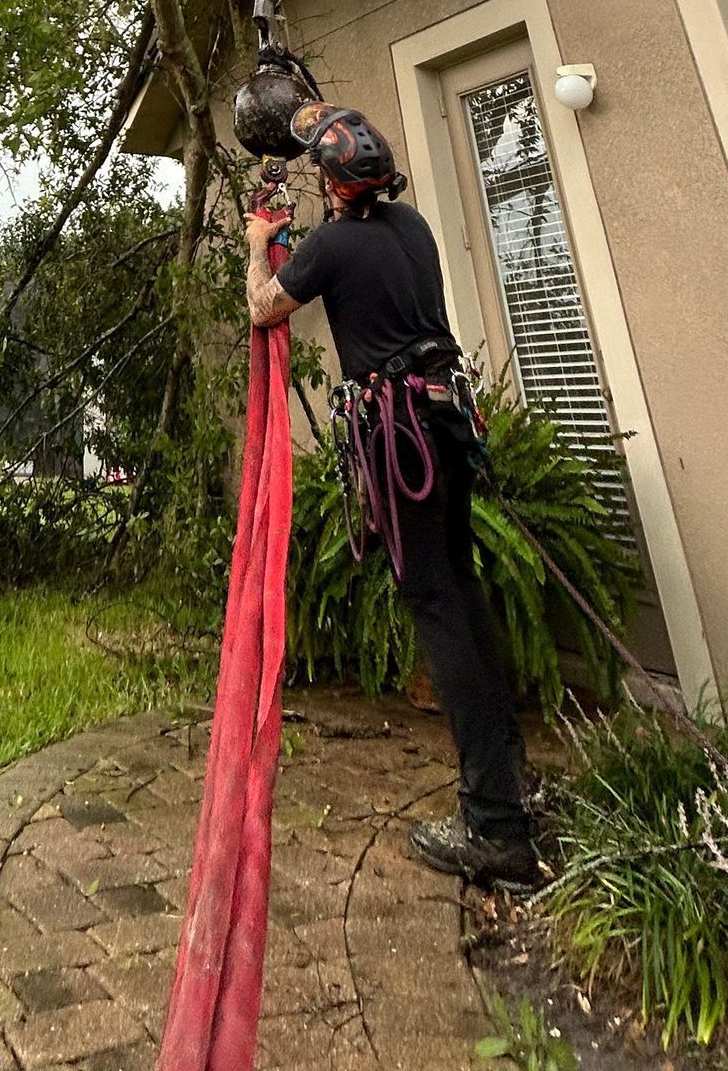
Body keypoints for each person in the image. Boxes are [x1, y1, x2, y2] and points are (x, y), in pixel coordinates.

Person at [242, 100, 538, 888]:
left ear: (332, 183)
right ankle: (510, 775)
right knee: (464, 594)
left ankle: (498, 828)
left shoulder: (332, 245)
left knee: (437, 610)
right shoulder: (414, 230)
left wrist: (257, 245)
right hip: (447, 423)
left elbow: (264, 306)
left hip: (401, 435)